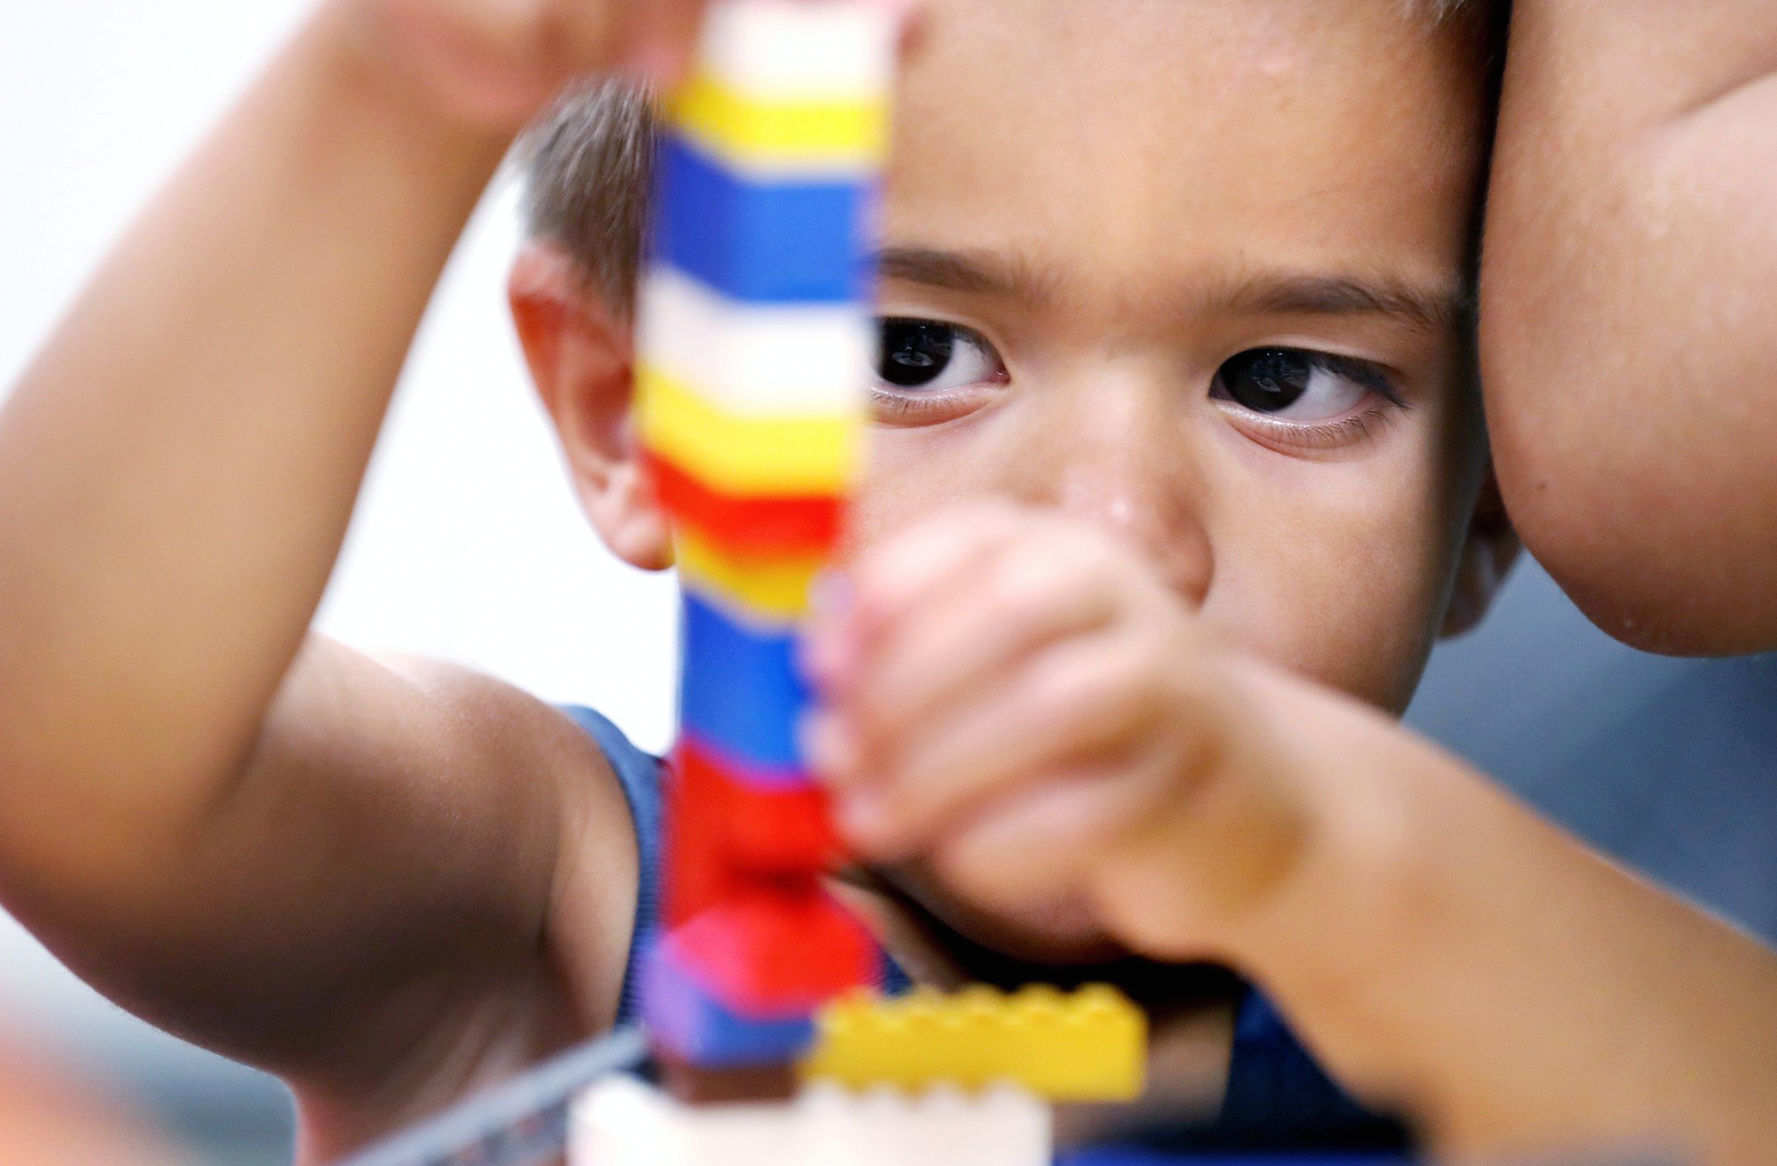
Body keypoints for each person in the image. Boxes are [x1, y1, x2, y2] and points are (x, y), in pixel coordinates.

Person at [0, 0, 1677, 1161]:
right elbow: (70, 765)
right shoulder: (553, 904)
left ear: (1492, 503)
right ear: (625, 413)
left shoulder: (1485, 991)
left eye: (1282, 381)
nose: (1108, 533)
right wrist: (386, 95)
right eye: (913, 349)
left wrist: (1334, 860)